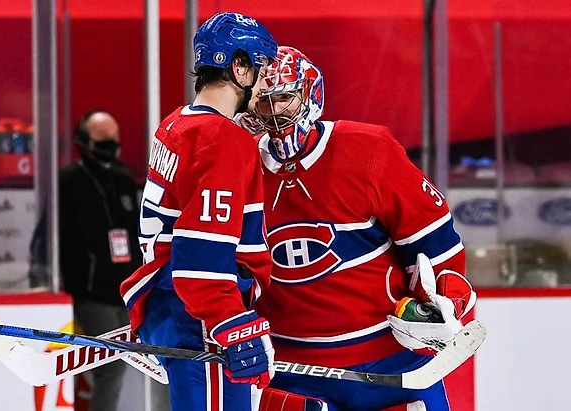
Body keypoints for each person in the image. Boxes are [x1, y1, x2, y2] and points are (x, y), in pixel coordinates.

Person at [236, 46, 477, 411]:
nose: (274, 112)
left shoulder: (367, 149)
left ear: (309, 94)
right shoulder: (239, 167)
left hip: (391, 364)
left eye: (283, 98)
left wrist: (447, 303)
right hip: (290, 370)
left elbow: (436, 243)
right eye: (262, 102)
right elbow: (220, 267)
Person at [119, 11, 279, 411]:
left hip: (176, 307)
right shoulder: (222, 140)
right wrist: (230, 323)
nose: (263, 83)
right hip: (200, 318)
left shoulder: (178, 124)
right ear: (239, 67)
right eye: (259, 68)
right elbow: (201, 253)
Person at [28, 110, 141, 411]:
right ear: (83, 141)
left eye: (113, 138)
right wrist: (40, 277)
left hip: (125, 291)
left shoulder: (123, 180)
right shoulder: (69, 182)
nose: (110, 144)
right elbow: (46, 237)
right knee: (111, 364)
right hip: (90, 294)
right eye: (102, 138)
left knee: (136, 360)